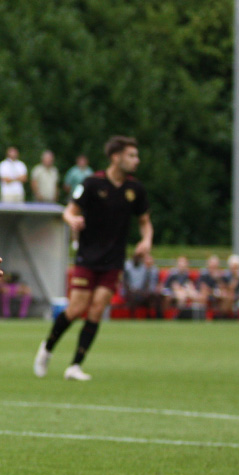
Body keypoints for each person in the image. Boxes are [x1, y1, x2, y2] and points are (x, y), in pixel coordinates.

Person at [33, 136, 152, 380]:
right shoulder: (91, 183)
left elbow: (145, 222)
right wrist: (72, 220)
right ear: (116, 157)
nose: (136, 160)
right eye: (131, 155)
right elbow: (69, 210)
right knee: (76, 309)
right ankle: (47, 348)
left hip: (114, 260)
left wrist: (146, 240)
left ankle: (75, 365)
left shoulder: (135, 189)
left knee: (97, 310)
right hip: (88, 257)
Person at [123, 252, 161, 318]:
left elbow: (146, 282)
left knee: (152, 296)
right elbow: (125, 282)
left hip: (141, 292)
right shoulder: (127, 268)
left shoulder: (145, 269)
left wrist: (142, 291)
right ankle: (132, 316)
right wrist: (131, 290)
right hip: (130, 292)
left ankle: (152, 316)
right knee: (133, 297)